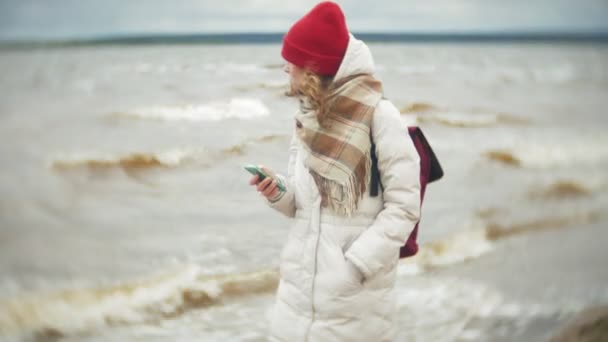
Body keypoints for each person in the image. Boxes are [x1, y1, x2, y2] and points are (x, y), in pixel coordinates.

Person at [248, 2, 421, 341]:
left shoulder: (381, 117)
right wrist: (278, 191)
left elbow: (404, 207)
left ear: (313, 68)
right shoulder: (306, 118)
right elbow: (303, 202)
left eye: (292, 60)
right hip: (296, 297)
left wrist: (355, 265)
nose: (286, 68)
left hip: (355, 305)